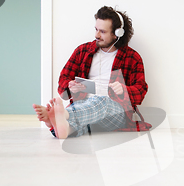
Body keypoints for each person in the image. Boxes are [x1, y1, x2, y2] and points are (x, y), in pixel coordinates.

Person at [33, 6, 151, 139]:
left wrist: (124, 90)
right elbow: (63, 81)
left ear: (117, 34)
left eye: (102, 31)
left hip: (115, 112)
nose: (96, 35)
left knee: (101, 101)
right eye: (96, 29)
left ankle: (63, 115)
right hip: (83, 106)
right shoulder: (82, 51)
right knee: (81, 120)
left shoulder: (132, 57)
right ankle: (61, 126)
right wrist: (71, 86)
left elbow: (140, 91)